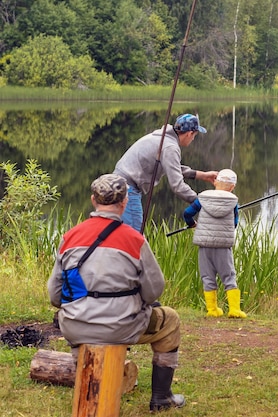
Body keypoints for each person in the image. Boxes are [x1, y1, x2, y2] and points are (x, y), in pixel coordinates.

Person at [47, 174, 185, 412]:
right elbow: (154, 291)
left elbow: (54, 295)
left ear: (93, 200)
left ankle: (90, 377)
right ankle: (162, 398)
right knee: (170, 320)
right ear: (124, 202)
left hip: (76, 326)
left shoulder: (70, 237)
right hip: (121, 325)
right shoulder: (134, 239)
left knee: (81, 322)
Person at [113, 113, 218, 232]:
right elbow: (177, 186)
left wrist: (203, 175)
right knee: (134, 235)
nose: (193, 139)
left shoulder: (162, 137)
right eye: (194, 135)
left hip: (117, 183)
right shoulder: (170, 147)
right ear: (189, 133)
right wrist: (200, 202)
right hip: (128, 189)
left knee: (121, 232)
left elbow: (173, 167)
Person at [183, 168, 247, 318]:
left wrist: (192, 224)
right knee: (229, 276)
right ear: (232, 187)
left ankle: (212, 310)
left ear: (216, 182)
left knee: (207, 276)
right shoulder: (233, 202)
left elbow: (187, 213)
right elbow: (235, 223)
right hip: (223, 246)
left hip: (204, 244)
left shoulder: (202, 199)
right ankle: (234, 310)